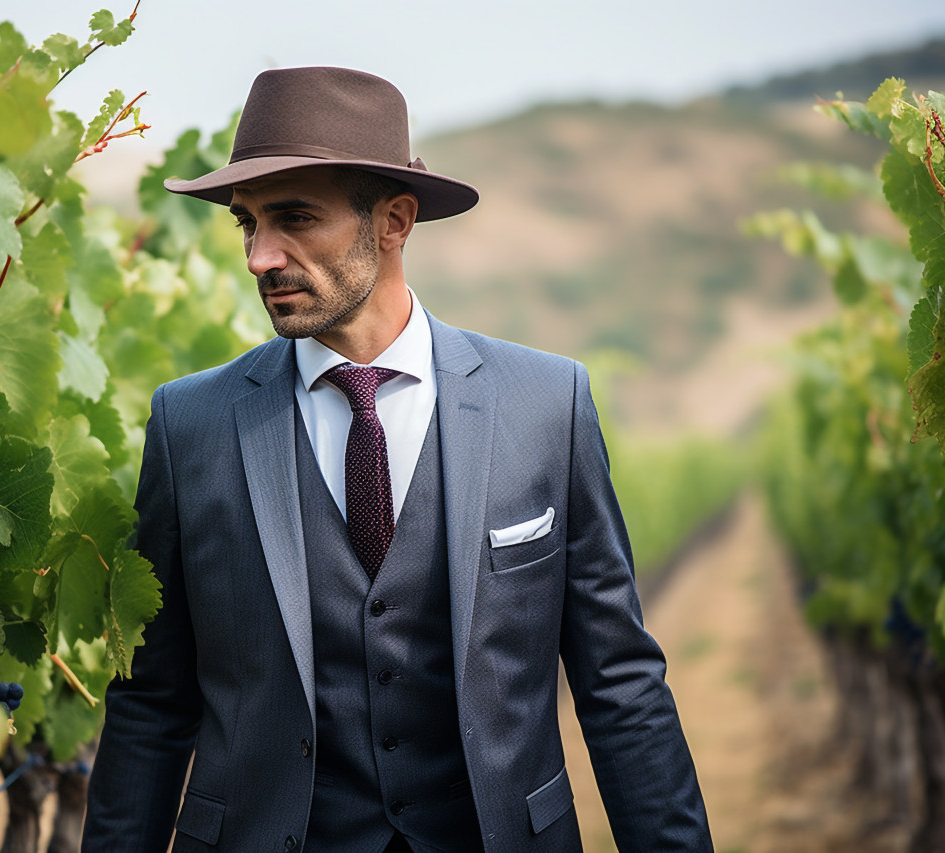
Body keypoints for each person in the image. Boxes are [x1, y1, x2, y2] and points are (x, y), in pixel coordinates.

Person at [82, 66, 712, 853]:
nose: (259, 257)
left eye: (295, 219)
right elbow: (152, 702)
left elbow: (619, 685)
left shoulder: (547, 404)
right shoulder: (193, 423)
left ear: (396, 219)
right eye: (247, 224)